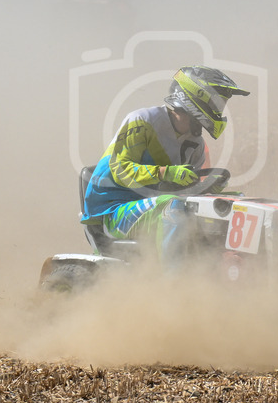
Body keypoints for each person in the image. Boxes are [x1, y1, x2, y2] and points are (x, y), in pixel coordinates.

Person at [81, 66, 250, 266]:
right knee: (173, 206)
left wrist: (206, 188)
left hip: (153, 206)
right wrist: (166, 173)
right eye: (217, 102)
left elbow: (183, 192)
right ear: (196, 96)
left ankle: (228, 267)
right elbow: (120, 170)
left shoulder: (195, 144)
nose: (219, 109)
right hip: (111, 211)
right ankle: (174, 280)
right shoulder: (142, 121)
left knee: (233, 203)